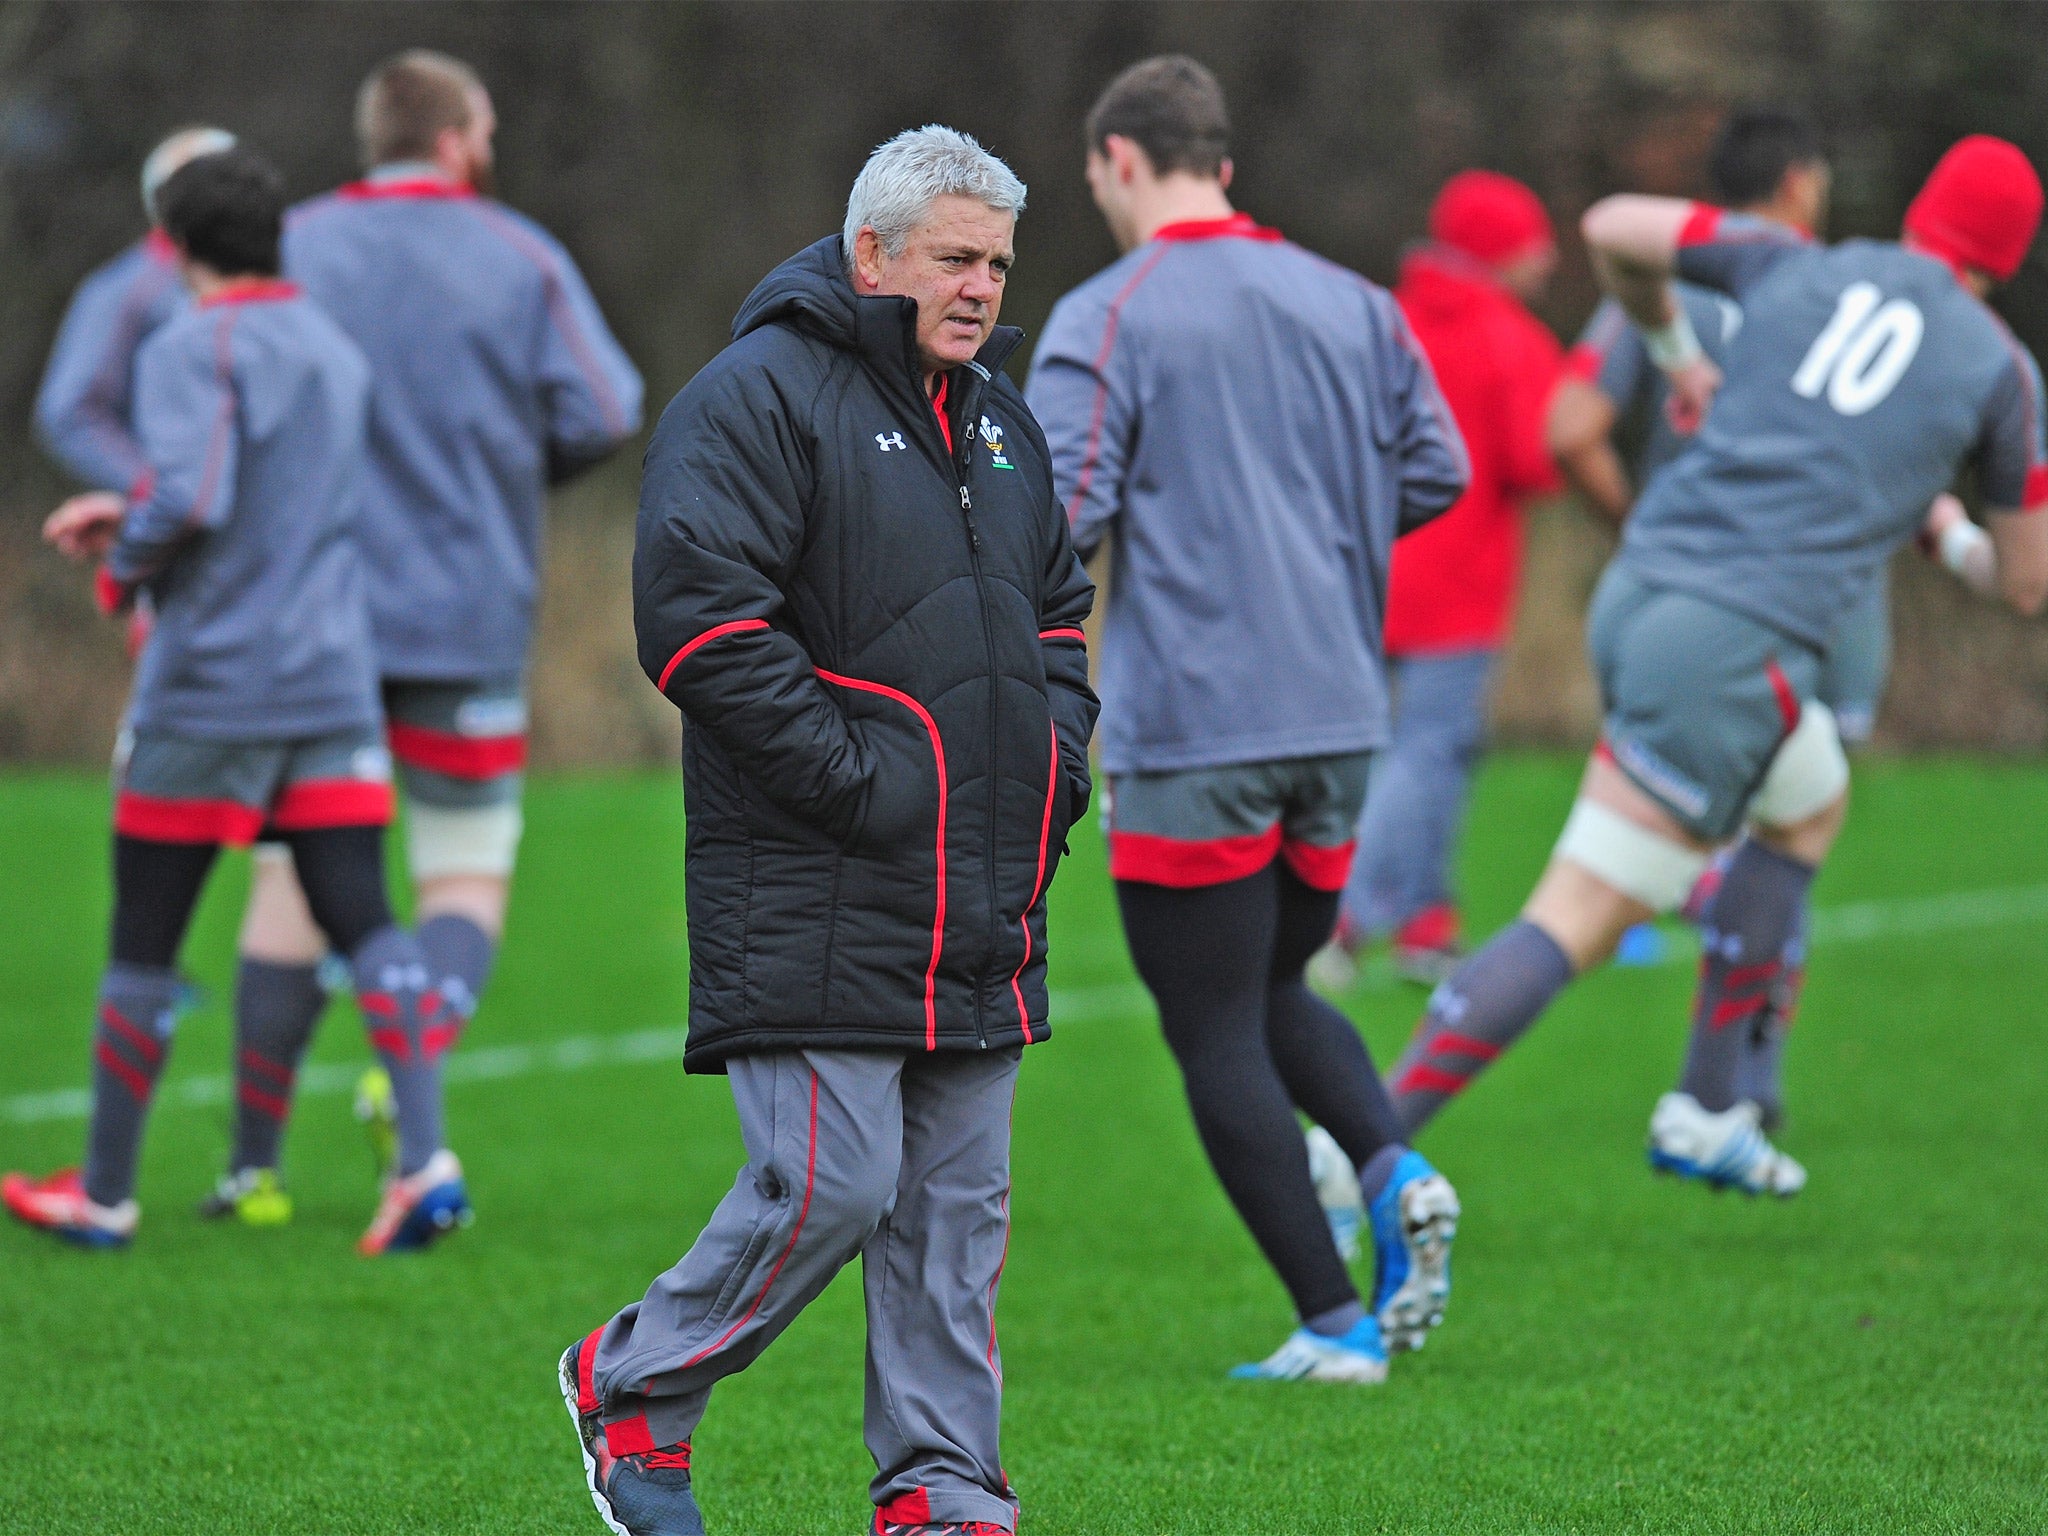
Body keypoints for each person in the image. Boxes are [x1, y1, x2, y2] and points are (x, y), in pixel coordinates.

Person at [561, 126, 1096, 1536]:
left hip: (984, 892)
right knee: (831, 1184)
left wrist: (1059, 762)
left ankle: (943, 1488)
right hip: (817, 876)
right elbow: (700, 624)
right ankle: (632, 1388)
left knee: (953, 1225)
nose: (981, 288)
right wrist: (862, 781)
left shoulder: (995, 415)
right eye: (954, 259)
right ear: (872, 253)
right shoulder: (756, 397)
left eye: (997, 263)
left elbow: (1057, 613)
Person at [1383, 135, 2048, 1196]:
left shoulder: (1793, 262)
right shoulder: (1997, 367)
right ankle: (1362, 1146)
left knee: (1807, 800)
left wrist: (1674, 349)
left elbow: (1610, 229)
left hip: (1641, 589)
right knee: (1581, 911)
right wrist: (1951, 535)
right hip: (1728, 642)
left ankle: (1709, 1104)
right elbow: (2024, 583)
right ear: (2007, 256)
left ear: (1922, 210)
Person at [1027, 56, 1469, 1385]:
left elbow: (1055, 521)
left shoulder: (1111, 314)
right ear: (1221, 158)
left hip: (1201, 725)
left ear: (1116, 161)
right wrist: (1314, 552)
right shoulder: (1359, 304)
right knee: (1272, 982)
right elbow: (1438, 469)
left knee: (1210, 1021)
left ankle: (1333, 1323)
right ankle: (1392, 1166)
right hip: (1341, 714)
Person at [196, 50, 643, 1235]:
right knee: (459, 871)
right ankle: (411, 1054)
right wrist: (506, 466)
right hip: (465, 614)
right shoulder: (519, 253)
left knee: (291, 874)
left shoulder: (293, 243)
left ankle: (254, 1173)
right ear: (458, 136)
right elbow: (604, 406)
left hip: (314, 619)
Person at [2, 150, 461, 1253]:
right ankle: (424, 1161)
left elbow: (198, 492)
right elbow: (265, 500)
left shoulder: (189, 341)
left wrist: (127, 552)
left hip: (212, 686)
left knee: (145, 937)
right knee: (367, 915)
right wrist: (145, 512)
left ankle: (103, 1192)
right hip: (333, 682)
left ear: (175, 244)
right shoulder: (331, 349)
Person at [1548, 107, 1850, 1125]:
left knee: (1640, 855)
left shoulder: (1675, 286)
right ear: (1800, 182)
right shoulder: (1830, 297)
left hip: (1667, 611)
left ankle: (1712, 1090)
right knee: (1788, 839)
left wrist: (1639, 529)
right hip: (1799, 610)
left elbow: (1569, 425)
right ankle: (1739, 1088)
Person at [1329, 169, 1564, 984]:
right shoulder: (1510, 337)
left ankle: (1427, 921)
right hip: (1458, 584)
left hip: (1358, 569)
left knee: (1387, 750)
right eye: (1533, 242)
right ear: (1498, 251)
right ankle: (1346, 919)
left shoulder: (1379, 319)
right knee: (1429, 752)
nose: (1547, 258)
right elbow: (1538, 462)